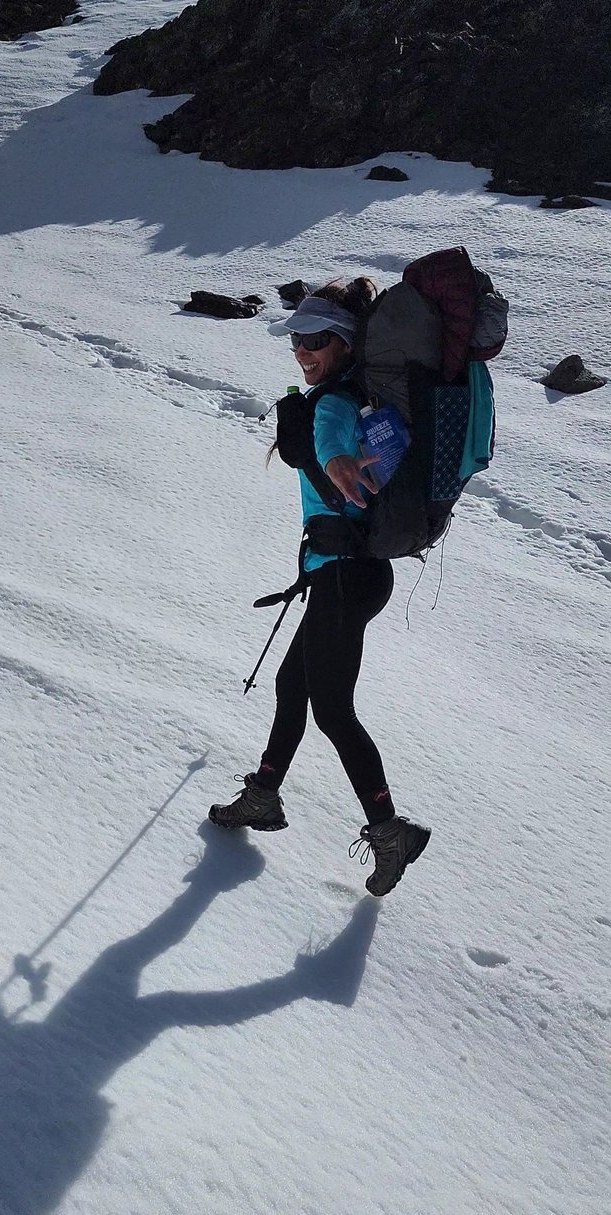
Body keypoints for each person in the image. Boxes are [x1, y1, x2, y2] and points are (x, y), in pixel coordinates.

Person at [208, 278, 434, 896]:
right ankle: (263, 795)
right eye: (296, 340)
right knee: (292, 686)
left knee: (334, 711)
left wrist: (333, 462)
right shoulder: (356, 398)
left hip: (346, 577)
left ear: (343, 343)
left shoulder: (335, 404)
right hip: (348, 574)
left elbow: (332, 442)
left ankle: (392, 834)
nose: (302, 351)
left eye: (316, 339)